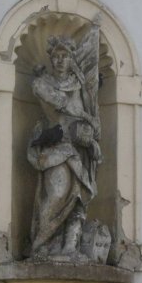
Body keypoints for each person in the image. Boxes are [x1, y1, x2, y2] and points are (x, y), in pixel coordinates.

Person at [27, 34, 101, 260]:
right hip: (55, 146)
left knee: (78, 198)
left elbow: (86, 110)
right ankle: (40, 245)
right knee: (58, 193)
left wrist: (91, 135)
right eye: (56, 56)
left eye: (65, 56)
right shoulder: (41, 84)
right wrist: (88, 118)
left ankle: (70, 248)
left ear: (71, 59)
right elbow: (63, 104)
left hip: (78, 147)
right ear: (51, 59)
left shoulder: (79, 84)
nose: (60, 60)